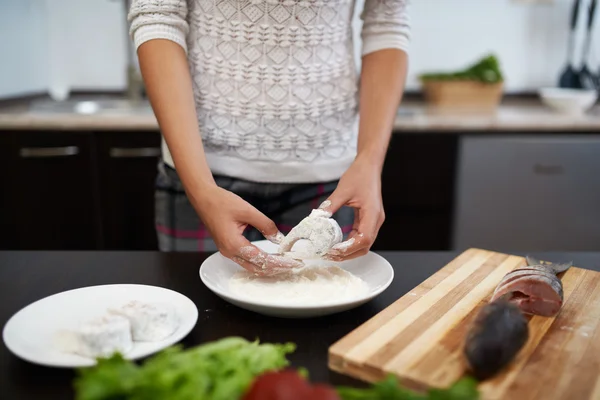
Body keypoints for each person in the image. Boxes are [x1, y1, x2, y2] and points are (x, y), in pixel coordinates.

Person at [128, 0, 410, 275]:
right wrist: (201, 191)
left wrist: (370, 162)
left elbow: (386, 24)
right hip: (202, 175)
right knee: (201, 310)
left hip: (333, 185)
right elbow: (156, 16)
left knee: (326, 315)